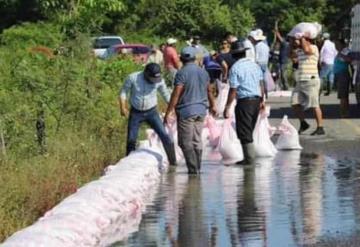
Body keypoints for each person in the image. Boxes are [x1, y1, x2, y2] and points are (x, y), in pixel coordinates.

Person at [164, 47, 217, 175]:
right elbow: (209, 90)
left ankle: (193, 171)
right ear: (194, 58)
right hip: (201, 111)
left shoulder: (181, 73)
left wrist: (168, 111)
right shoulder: (203, 72)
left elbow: (176, 93)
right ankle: (197, 168)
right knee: (197, 140)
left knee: (185, 142)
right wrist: (213, 105)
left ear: (181, 58)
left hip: (186, 112)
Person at [119, 63, 177, 166]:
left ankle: (173, 163)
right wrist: (122, 107)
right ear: (146, 74)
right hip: (136, 113)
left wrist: (174, 108)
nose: (154, 82)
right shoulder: (133, 78)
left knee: (165, 136)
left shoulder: (159, 81)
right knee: (131, 140)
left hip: (152, 112)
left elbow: (166, 95)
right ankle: (127, 165)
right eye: (152, 79)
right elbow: (123, 91)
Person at [223, 39, 265, 164]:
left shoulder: (235, 68)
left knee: (245, 133)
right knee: (249, 130)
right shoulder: (255, 65)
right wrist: (262, 100)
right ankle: (249, 158)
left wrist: (227, 107)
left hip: (244, 102)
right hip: (256, 101)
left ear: (233, 55)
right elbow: (261, 84)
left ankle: (249, 161)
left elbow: (233, 90)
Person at [290, 34, 325, 135]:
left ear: (306, 40)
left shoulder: (313, 48)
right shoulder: (300, 50)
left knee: (314, 105)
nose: (297, 41)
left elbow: (307, 50)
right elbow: (291, 56)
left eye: (299, 40)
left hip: (311, 80)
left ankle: (320, 127)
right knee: (294, 103)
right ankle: (303, 123)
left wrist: (301, 37)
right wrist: (292, 43)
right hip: (300, 80)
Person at [334, 39, 351, 117]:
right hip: (340, 75)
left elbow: (349, 59)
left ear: (343, 44)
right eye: (335, 44)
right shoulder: (340, 52)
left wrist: (341, 55)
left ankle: (343, 113)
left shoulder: (345, 51)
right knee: (343, 95)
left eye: (337, 44)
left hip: (343, 75)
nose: (336, 46)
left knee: (343, 95)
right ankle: (345, 112)